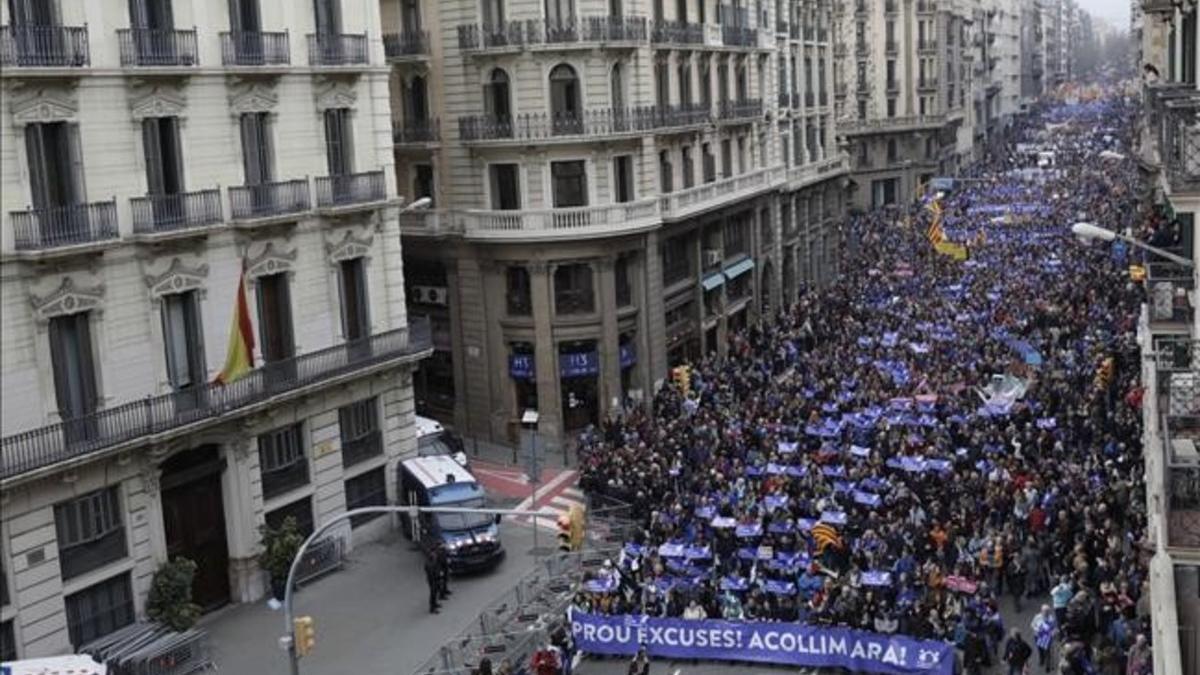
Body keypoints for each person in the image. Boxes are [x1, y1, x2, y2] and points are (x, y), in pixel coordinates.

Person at [1031, 605, 1057, 673]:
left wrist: (1052, 633)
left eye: (1047, 612)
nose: (1046, 613)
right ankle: (1041, 660)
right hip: (1038, 636)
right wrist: (1037, 629)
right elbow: (1032, 625)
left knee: (1047, 652)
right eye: (1044, 611)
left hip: (1046, 638)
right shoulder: (1037, 617)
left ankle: (1048, 666)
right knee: (1040, 649)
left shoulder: (1051, 619)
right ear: (1041, 611)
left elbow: (1054, 629)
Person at [424, 548, 441, 614]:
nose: (435, 555)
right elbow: (431, 572)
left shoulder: (433, 560)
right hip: (432, 580)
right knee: (433, 593)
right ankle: (432, 608)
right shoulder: (429, 563)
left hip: (435, 578)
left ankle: (435, 604)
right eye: (433, 553)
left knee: (435, 592)